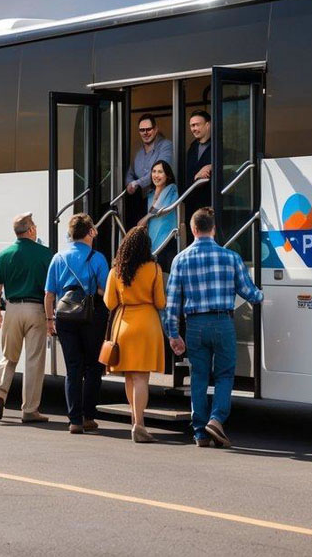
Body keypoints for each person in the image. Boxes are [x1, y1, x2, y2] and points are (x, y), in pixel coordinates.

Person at [163, 207, 264, 448]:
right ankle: (217, 419)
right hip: (222, 322)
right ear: (214, 229)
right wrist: (266, 295)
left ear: (193, 229)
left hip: (195, 324)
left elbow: (172, 301)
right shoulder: (231, 258)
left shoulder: (181, 259)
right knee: (224, 374)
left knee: (198, 376)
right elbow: (251, 294)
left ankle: (200, 432)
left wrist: (173, 334)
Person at [44, 213, 110, 434]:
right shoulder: (98, 258)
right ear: (90, 231)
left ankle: (74, 420)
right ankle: (89, 416)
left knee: (73, 368)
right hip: (91, 317)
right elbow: (104, 291)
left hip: (64, 317)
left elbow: (49, 294)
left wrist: (49, 320)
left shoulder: (58, 258)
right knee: (93, 366)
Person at [103, 226, 166, 443]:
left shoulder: (116, 271)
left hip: (124, 324)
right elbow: (160, 302)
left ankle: (134, 420)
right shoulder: (154, 269)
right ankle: (139, 424)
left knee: (129, 377)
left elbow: (110, 303)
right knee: (142, 378)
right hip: (147, 324)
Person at [0, 213, 52, 424]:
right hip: (36, 309)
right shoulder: (45, 254)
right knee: (33, 360)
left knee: (9, 356)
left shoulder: (5, 255)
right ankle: (30, 409)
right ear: (31, 230)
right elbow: (49, 290)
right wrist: (51, 316)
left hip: (12, 309)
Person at [125, 113, 173, 229]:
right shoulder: (138, 152)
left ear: (155, 129)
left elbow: (158, 173)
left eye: (148, 129)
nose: (145, 133)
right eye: (142, 130)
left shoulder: (166, 146)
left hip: (161, 200)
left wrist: (137, 183)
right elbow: (130, 173)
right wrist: (129, 184)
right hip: (141, 201)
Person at [138, 159, 179, 271]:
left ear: (168, 176)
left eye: (160, 172)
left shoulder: (172, 189)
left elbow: (162, 207)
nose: (156, 175)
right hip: (152, 243)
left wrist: (147, 217)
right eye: (154, 171)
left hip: (167, 241)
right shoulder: (150, 195)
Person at [183, 109, 212, 232]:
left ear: (208, 124)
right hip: (192, 205)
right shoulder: (192, 147)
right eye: (191, 125)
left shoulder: (218, 146)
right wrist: (196, 176)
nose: (193, 128)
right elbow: (188, 175)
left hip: (210, 205)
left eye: (196, 125)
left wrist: (212, 166)